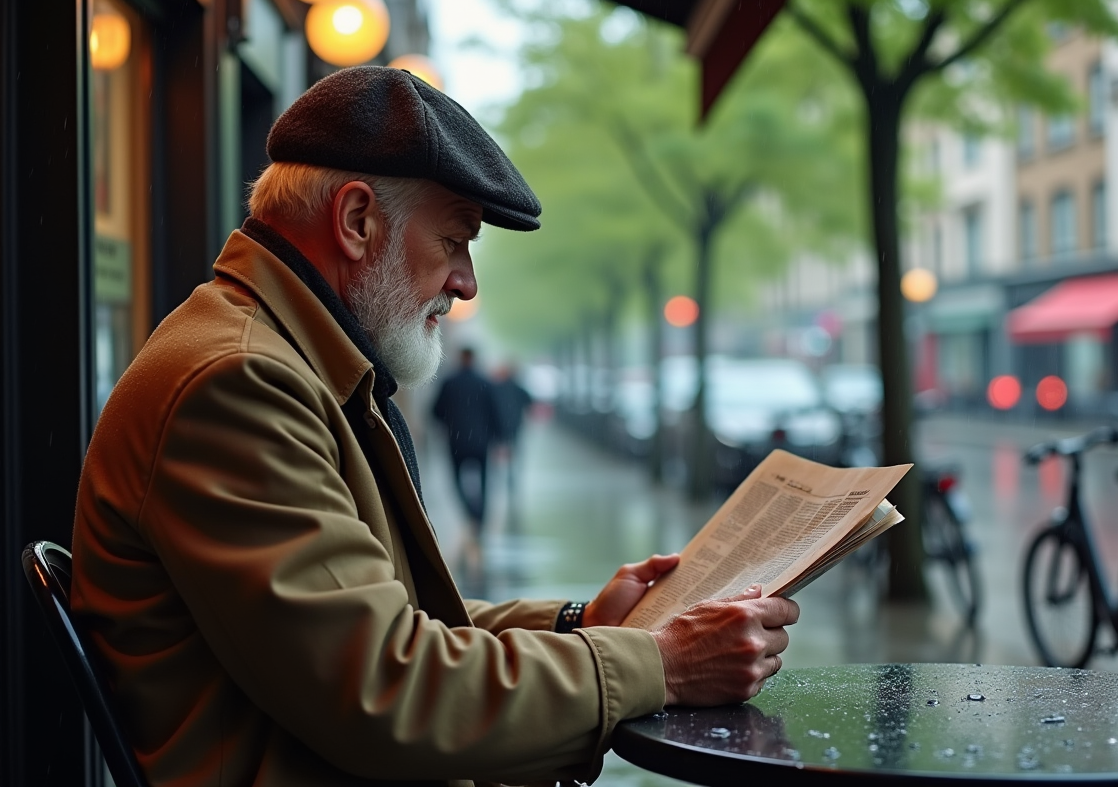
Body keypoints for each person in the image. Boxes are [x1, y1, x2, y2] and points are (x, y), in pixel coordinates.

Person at [70, 66, 798, 787]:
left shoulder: (284, 361)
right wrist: (664, 663)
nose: (465, 282)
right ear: (357, 221)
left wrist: (580, 624)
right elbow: (387, 690)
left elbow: (391, 629)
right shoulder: (241, 383)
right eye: (454, 240)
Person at [432, 347, 496, 544]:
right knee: (484, 480)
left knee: (456, 479)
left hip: (457, 440)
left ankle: (469, 510)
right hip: (481, 441)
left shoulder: (449, 383)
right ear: (474, 359)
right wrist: (498, 437)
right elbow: (495, 412)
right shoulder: (485, 383)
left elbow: (435, 411)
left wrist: (450, 423)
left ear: (461, 359)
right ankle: (480, 515)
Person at [489, 361, 533, 516]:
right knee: (514, 452)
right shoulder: (518, 388)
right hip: (515, 426)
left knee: (498, 452)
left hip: (499, 427)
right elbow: (529, 402)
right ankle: (511, 477)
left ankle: (499, 476)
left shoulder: (497, 387)